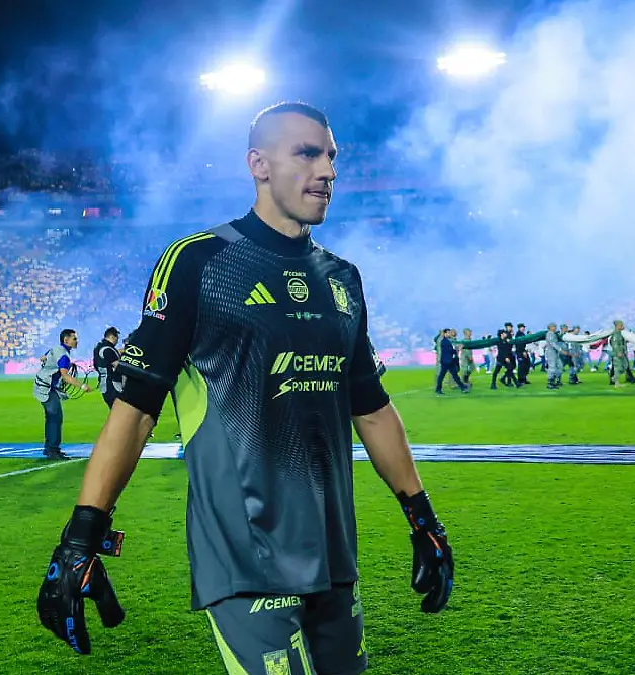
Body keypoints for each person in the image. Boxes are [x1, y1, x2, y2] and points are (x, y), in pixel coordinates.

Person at [35, 102, 454, 674]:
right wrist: (82, 535)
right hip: (245, 557)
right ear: (258, 164)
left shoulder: (343, 279)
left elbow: (373, 408)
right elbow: (135, 411)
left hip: (334, 556)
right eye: (307, 153)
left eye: (331, 156)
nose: (327, 169)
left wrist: (423, 518)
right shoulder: (198, 262)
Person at [33, 329, 91, 460]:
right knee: (55, 417)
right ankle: (53, 450)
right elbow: (65, 376)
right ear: (66, 340)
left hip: (42, 385)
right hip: (47, 388)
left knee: (51, 417)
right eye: (74, 339)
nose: (77, 341)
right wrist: (82, 386)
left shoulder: (56, 348)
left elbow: (43, 357)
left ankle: (49, 448)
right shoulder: (64, 356)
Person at [92, 326, 124, 408]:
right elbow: (118, 366)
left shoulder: (98, 348)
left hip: (104, 385)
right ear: (112, 337)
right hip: (113, 385)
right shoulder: (108, 350)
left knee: (116, 412)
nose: (117, 340)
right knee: (119, 413)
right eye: (117, 337)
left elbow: (96, 364)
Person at [435, 328, 466, 394]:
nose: (449, 334)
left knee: (454, 375)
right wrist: (459, 349)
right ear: (445, 333)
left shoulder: (448, 341)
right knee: (443, 376)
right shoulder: (444, 341)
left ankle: (463, 387)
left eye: (450, 332)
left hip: (449, 361)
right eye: (448, 333)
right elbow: (450, 351)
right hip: (446, 361)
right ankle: (438, 389)